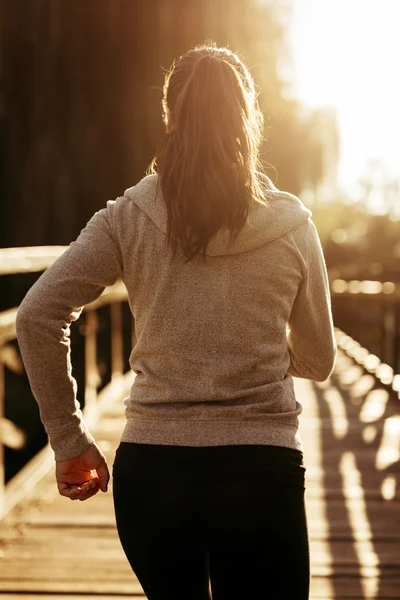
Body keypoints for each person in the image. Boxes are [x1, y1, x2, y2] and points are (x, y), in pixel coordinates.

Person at [16, 44, 337, 600]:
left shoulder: (127, 217)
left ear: (170, 117)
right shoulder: (291, 227)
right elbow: (319, 359)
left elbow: (37, 314)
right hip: (260, 476)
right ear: (248, 119)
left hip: (154, 476)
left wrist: (68, 440)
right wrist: (247, 341)